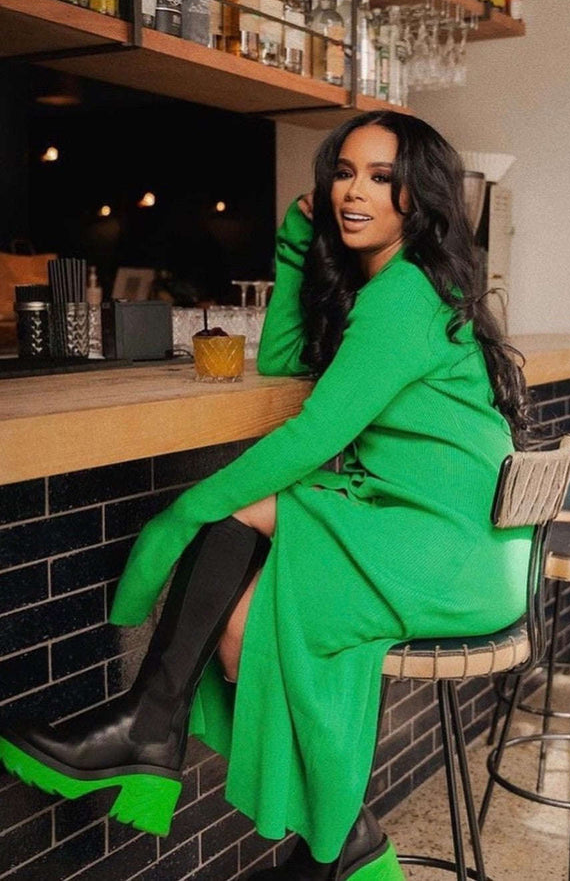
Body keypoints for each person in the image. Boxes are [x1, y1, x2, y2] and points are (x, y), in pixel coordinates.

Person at [0, 111, 535, 881]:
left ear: (418, 197)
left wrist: (186, 508)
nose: (354, 192)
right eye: (343, 173)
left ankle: (164, 737)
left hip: (443, 546)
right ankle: (321, 831)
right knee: (242, 618)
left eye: (380, 178)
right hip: (438, 529)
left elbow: (315, 432)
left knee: (238, 561)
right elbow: (282, 360)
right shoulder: (394, 286)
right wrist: (293, 243)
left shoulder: (404, 294)